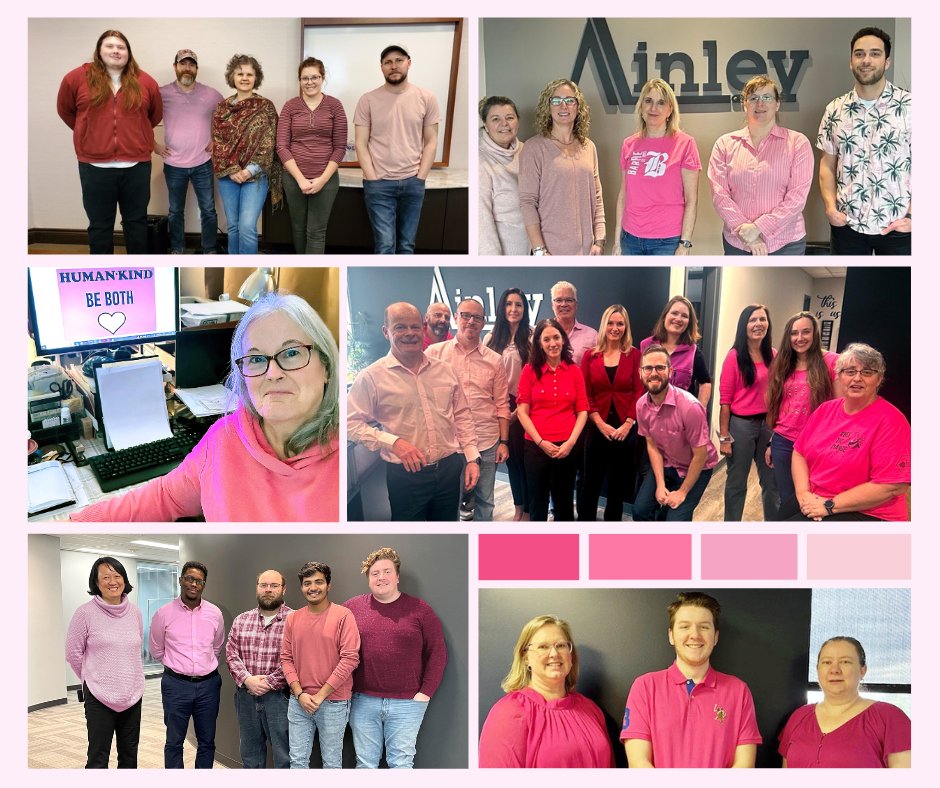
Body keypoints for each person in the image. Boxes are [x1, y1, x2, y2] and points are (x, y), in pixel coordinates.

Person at [71, 293, 339, 521]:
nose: (272, 373)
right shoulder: (225, 437)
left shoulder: (346, 459)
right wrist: (77, 522)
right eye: (256, 358)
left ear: (325, 365)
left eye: (292, 353)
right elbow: (165, 497)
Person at [347, 302, 480, 521]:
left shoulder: (444, 370)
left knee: (446, 534)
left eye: (415, 327)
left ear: (424, 327)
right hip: (406, 476)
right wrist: (394, 443)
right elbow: (351, 424)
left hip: (449, 469)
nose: (409, 333)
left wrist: (473, 459)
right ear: (386, 332)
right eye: (400, 327)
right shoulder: (372, 377)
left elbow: (462, 415)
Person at [621, 592, 761, 768]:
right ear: (671, 635)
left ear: (716, 636)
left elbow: (744, 766)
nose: (694, 635)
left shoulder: (739, 691)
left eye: (704, 627)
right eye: (684, 626)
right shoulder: (645, 688)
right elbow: (639, 763)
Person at [57, 30, 162, 254]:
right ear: (99, 50)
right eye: (110, 46)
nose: (116, 50)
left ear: (128, 53)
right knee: (100, 226)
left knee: (136, 224)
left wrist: (135, 136)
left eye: (121, 47)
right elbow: (66, 111)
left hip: (136, 166)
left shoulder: (145, 81)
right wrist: (88, 133)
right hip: (94, 167)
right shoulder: (76, 78)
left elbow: (154, 116)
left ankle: (139, 271)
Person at [344, 547, 447, 768]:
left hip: (408, 703)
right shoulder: (352, 608)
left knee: (401, 764)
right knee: (364, 764)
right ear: (368, 579)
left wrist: (425, 693)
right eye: (375, 573)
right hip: (363, 701)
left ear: (397, 576)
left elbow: (437, 653)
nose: (381, 577)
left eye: (387, 571)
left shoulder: (420, 610)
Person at [786, 343, 911, 521]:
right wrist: (803, 493)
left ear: (879, 378)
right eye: (850, 371)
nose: (857, 378)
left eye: (867, 372)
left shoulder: (892, 421)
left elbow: (892, 486)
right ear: (839, 376)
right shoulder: (825, 410)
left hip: (867, 512)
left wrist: (829, 505)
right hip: (815, 498)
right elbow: (799, 452)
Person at [818, 27, 911, 255]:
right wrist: (830, 209)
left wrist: (913, 216)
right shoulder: (834, 110)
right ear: (851, 62)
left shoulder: (911, 107)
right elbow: (827, 165)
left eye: (875, 53)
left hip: (898, 227)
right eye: (859, 54)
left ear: (887, 62)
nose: (866, 60)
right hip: (847, 226)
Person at [479, 615, 612, 768]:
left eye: (561, 645)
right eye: (543, 647)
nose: (554, 654)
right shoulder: (509, 713)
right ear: (525, 657)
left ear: (571, 655)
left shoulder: (591, 709)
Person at [708, 75, 813, 255]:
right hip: (738, 244)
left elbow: (797, 198)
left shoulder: (797, 143)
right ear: (744, 104)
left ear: (777, 104)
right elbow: (720, 195)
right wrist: (746, 232)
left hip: (786, 244)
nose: (760, 104)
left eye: (767, 97)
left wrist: (758, 228)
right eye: (754, 98)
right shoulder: (724, 144)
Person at [426, 299, 510, 521]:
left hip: (486, 441)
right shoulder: (434, 354)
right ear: (456, 317)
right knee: (450, 500)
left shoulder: (495, 360)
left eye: (477, 317)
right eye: (466, 315)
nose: (471, 321)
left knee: (485, 500)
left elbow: (502, 404)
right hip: (450, 444)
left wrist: (504, 441)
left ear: (483, 323)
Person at [354, 45, 440, 254]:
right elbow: (360, 143)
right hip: (379, 184)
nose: (394, 66)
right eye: (388, 62)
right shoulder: (368, 100)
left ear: (408, 62)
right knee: (385, 245)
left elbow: (431, 140)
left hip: (413, 182)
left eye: (398, 60)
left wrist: (420, 178)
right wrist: (372, 178)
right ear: (381, 67)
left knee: (407, 245)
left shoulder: (427, 98)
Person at [779, 636, 911, 767]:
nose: (834, 670)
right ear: (817, 670)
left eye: (845, 662)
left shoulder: (890, 718)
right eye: (826, 662)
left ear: (862, 670)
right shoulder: (799, 717)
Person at [65, 557, 144, 768]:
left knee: (129, 756)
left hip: (132, 695)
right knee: (98, 757)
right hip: (99, 697)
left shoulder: (135, 612)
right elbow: (73, 653)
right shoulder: (85, 613)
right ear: (96, 583)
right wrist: (91, 679)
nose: (113, 582)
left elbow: (134, 650)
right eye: (106, 577)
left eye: (117, 576)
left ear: (124, 580)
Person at [281, 562, 360, 769]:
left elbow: (350, 659)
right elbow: (286, 659)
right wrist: (299, 694)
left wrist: (319, 696)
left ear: (328, 585)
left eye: (319, 582)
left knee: (332, 763)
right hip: (299, 702)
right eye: (307, 583)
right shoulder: (293, 619)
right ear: (301, 587)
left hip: (333, 703)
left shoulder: (343, 616)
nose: (313, 587)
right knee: (297, 762)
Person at [150, 561, 225, 769]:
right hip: (175, 685)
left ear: (204, 585)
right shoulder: (163, 613)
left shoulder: (215, 613)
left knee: (207, 741)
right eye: (189, 579)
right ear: (181, 580)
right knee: (174, 741)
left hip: (208, 686)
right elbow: (157, 649)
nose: (194, 584)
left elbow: (217, 646)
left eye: (199, 581)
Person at [764, 312, 840, 514]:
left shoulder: (832, 362)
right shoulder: (783, 364)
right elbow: (781, 407)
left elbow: (840, 409)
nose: (800, 338)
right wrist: (772, 441)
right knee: (787, 498)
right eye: (794, 333)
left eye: (806, 332)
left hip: (817, 445)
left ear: (815, 333)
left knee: (813, 500)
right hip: (784, 442)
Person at [519, 79, 605, 255]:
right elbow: (527, 203)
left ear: (577, 106)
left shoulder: (589, 147)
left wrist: (600, 240)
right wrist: (539, 250)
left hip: (588, 251)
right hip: (551, 251)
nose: (563, 106)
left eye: (569, 100)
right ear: (548, 106)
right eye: (556, 100)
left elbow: (597, 197)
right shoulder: (534, 148)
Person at [633, 345, 719, 521]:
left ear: (670, 371)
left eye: (660, 367)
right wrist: (660, 484)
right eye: (648, 368)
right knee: (640, 511)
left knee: (675, 521)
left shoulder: (690, 407)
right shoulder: (641, 405)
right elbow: (652, 445)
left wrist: (682, 492)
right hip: (667, 463)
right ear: (640, 373)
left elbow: (700, 455)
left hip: (697, 467)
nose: (654, 373)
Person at [516, 318, 589, 521]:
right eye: (546, 339)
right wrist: (540, 442)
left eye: (556, 337)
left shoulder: (574, 370)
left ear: (563, 340)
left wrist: (571, 443)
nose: (552, 343)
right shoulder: (529, 371)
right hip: (536, 447)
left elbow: (583, 409)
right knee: (537, 504)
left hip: (567, 447)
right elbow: (522, 412)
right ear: (539, 343)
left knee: (564, 503)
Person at [616, 78, 699, 255]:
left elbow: (692, 199)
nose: (654, 108)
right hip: (629, 239)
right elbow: (623, 195)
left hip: (667, 241)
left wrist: (684, 244)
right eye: (648, 101)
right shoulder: (629, 144)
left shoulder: (685, 144)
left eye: (661, 103)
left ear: (670, 110)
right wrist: (616, 242)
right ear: (641, 107)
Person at [212, 54, 282, 255]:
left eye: (249, 74)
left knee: (247, 227)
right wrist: (233, 170)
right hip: (228, 176)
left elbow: (269, 143)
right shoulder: (222, 108)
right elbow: (218, 142)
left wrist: (248, 171)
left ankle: (249, 266)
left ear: (256, 78)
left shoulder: (265, 107)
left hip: (256, 176)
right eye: (240, 73)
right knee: (233, 226)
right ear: (232, 77)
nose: (244, 78)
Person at [155, 49, 223, 254]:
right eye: (183, 64)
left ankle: (209, 249)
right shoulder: (161, 93)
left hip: (203, 162)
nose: (187, 68)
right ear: (175, 67)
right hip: (174, 164)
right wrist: (154, 146)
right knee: (176, 211)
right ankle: (177, 249)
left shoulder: (211, 94)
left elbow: (228, 118)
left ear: (196, 69)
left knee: (208, 210)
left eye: (191, 64)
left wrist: (217, 141)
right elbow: (141, 119)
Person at [277, 57, 347, 254]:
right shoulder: (290, 106)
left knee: (316, 231)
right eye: (304, 78)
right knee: (298, 229)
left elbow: (340, 147)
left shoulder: (335, 106)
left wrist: (321, 180)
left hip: (326, 180)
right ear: (299, 80)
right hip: (293, 179)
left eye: (314, 77)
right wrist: (300, 179)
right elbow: (281, 146)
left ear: (322, 77)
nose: (310, 82)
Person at [579, 305, 642, 521]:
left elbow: (638, 392)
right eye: (611, 323)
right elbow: (585, 393)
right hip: (596, 428)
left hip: (625, 430)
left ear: (626, 327)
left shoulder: (634, 355)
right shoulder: (590, 356)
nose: (615, 328)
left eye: (620, 324)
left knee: (617, 485)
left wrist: (628, 423)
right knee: (590, 483)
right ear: (604, 326)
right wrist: (598, 421)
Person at [225, 569, 293, 768]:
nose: (268, 590)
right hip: (245, 697)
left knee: (284, 756)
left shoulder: (296, 620)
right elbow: (231, 654)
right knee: (250, 755)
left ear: (284, 589)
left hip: (280, 699)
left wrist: (267, 683)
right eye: (263, 585)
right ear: (257, 588)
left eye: (274, 586)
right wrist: (248, 680)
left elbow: (296, 659)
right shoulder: (241, 620)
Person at [718, 304, 779, 520]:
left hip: (768, 425)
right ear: (744, 325)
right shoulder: (734, 357)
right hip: (740, 425)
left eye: (763, 319)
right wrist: (724, 438)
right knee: (737, 483)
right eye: (753, 320)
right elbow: (725, 401)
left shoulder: (773, 354)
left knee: (772, 481)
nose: (758, 324)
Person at [484, 288, 533, 520]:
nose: (513, 309)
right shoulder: (490, 339)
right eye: (509, 304)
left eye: (519, 305)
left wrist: (517, 412)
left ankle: (532, 509)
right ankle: (519, 507)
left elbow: (536, 377)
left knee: (527, 461)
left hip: (524, 405)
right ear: (502, 308)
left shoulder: (532, 336)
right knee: (511, 461)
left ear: (525, 309)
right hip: (497, 406)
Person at [640, 296, 712, 407]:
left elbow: (705, 382)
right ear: (665, 316)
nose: (678, 319)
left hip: (682, 417)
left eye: (684, 316)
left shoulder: (693, 351)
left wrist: (700, 409)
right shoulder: (646, 346)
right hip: (651, 414)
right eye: (674, 313)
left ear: (689, 322)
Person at [478, 96, 529, 255]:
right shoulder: (480, 161)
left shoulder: (527, 151)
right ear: (485, 125)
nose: (504, 124)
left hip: (536, 249)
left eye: (509, 118)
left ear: (517, 121)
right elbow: (482, 224)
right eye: (495, 119)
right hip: (507, 253)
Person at [551, 280, 598, 374]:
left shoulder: (592, 336)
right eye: (559, 300)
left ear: (576, 305)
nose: (564, 304)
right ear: (552, 305)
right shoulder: (542, 334)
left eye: (569, 300)